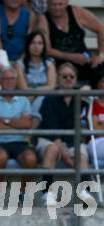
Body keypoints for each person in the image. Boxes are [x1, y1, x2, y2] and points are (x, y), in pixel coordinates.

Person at [38, 62, 93, 205]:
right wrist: (67, 158)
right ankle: (47, 194)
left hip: (72, 140)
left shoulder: (80, 98)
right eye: (64, 76)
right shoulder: (49, 99)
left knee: (81, 155)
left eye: (72, 76)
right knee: (52, 149)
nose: (68, 79)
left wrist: (86, 90)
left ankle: (84, 193)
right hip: (50, 139)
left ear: (76, 79)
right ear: (58, 79)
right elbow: (53, 131)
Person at [0, 66, 37, 198]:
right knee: (1, 157)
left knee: (30, 159)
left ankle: (23, 193)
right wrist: (16, 123)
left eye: (12, 79)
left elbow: (26, 124)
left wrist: (6, 121)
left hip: (20, 141)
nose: (9, 82)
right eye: (5, 79)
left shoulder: (23, 99)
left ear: (16, 81)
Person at [39, 0, 104, 82]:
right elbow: (46, 49)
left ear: (67, 2)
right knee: (67, 73)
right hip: (58, 63)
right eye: (53, 5)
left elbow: (101, 29)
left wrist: (101, 55)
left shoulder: (77, 12)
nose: (57, 8)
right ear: (47, 3)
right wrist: (71, 57)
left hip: (83, 60)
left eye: (60, 4)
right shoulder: (43, 19)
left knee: (101, 69)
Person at [15, 29, 56, 125]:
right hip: (26, 96)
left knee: (41, 99)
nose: (36, 46)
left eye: (40, 43)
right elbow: (23, 87)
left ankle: (31, 132)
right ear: (28, 45)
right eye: (33, 43)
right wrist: (34, 94)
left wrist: (35, 93)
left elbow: (51, 86)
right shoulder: (19, 64)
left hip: (44, 96)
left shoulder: (50, 63)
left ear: (44, 46)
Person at [88, 73, 104, 168]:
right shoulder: (92, 103)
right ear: (98, 84)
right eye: (103, 81)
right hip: (96, 142)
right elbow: (95, 130)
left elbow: (100, 127)